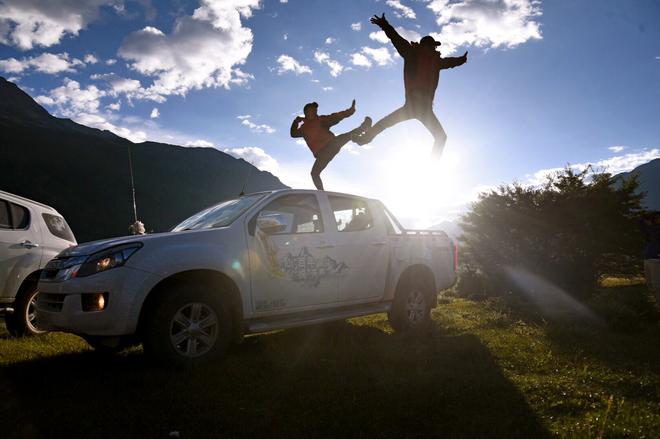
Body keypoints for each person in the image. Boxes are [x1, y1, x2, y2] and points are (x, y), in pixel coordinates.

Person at [355, 13, 468, 157]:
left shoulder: (433, 60)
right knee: (438, 136)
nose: (434, 49)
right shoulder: (413, 54)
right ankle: (365, 139)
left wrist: (461, 60)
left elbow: (450, 62)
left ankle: (432, 170)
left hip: (420, 107)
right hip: (418, 105)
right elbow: (396, 39)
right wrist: (384, 25)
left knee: (440, 137)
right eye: (432, 46)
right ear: (426, 46)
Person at [291, 100, 371, 190]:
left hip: (331, 145)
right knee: (314, 174)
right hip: (322, 155)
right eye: (313, 110)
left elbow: (336, 116)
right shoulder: (303, 129)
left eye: (316, 110)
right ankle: (322, 194)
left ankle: (362, 128)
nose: (315, 112)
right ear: (306, 112)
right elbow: (293, 134)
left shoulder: (321, 119)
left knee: (343, 137)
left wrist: (350, 111)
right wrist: (296, 122)